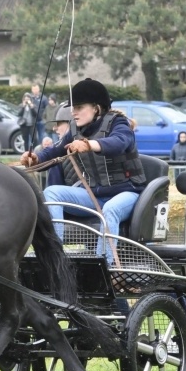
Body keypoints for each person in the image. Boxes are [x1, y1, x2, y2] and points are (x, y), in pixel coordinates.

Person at [20, 78, 146, 265]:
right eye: (73, 108)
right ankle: (56, 258)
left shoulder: (119, 123)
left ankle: (104, 267)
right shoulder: (76, 128)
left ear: (96, 108)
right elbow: (56, 150)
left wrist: (88, 145)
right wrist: (36, 158)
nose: (73, 112)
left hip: (128, 192)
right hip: (94, 194)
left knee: (110, 210)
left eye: (79, 107)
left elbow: (120, 143)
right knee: (52, 192)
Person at [30, 84, 49, 149]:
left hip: (41, 120)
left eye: (36, 89)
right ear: (32, 90)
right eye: (33, 89)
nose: (35, 91)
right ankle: (34, 150)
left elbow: (47, 109)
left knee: (41, 135)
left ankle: (42, 149)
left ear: (39, 89)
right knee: (33, 137)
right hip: (33, 121)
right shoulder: (30, 99)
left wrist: (45, 119)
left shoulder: (44, 98)